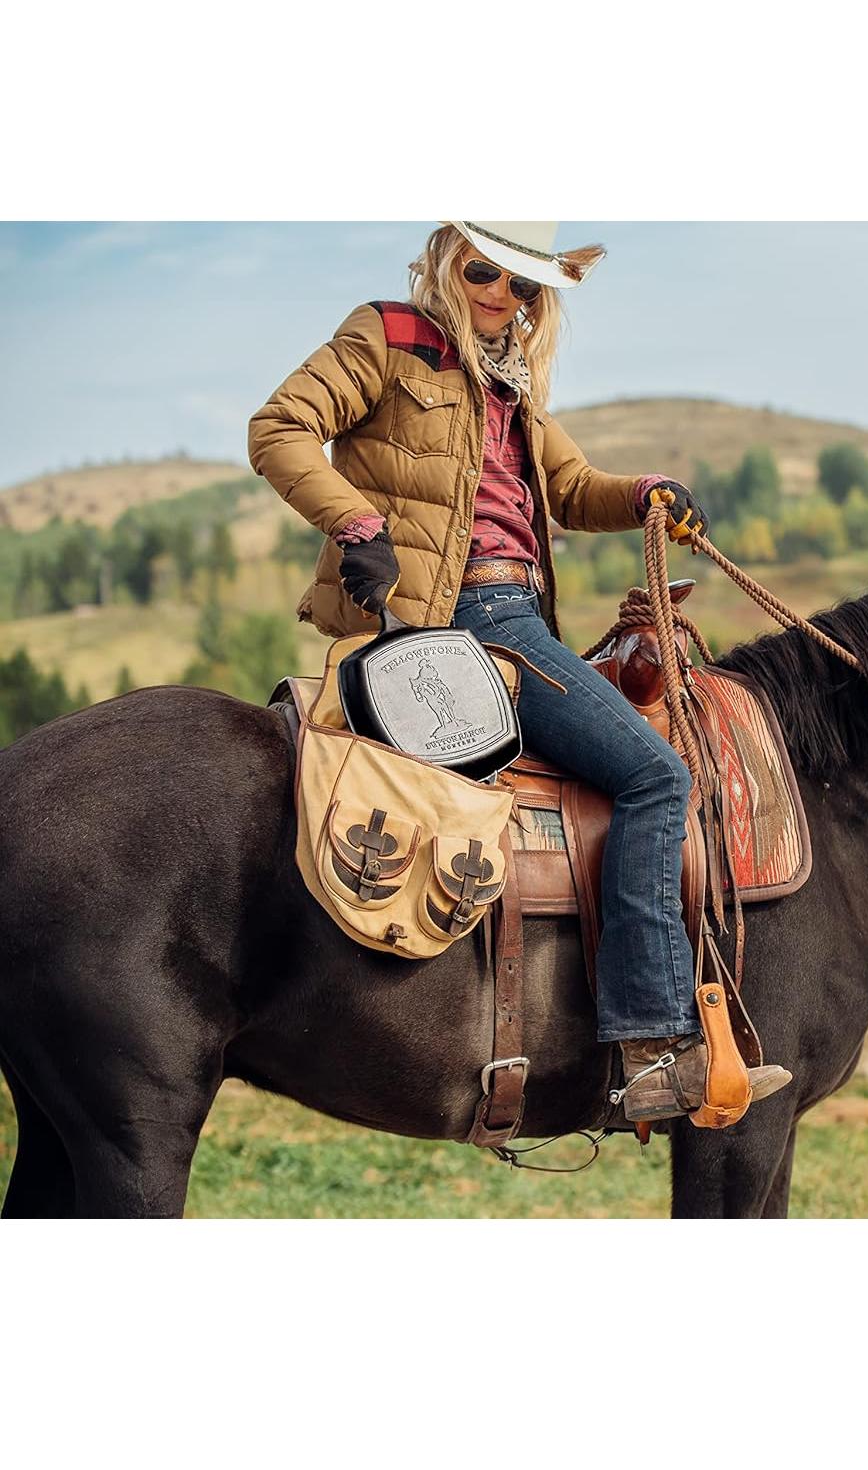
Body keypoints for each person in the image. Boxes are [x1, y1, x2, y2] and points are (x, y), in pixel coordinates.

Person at [248, 221, 790, 1122]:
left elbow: (572, 489)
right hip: (466, 615)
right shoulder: (387, 336)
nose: (501, 297)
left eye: (526, 289)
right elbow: (281, 427)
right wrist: (354, 522)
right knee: (659, 777)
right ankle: (653, 1045)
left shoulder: (512, 385)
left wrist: (647, 492)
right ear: (444, 260)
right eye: (483, 273)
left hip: (519, 614)